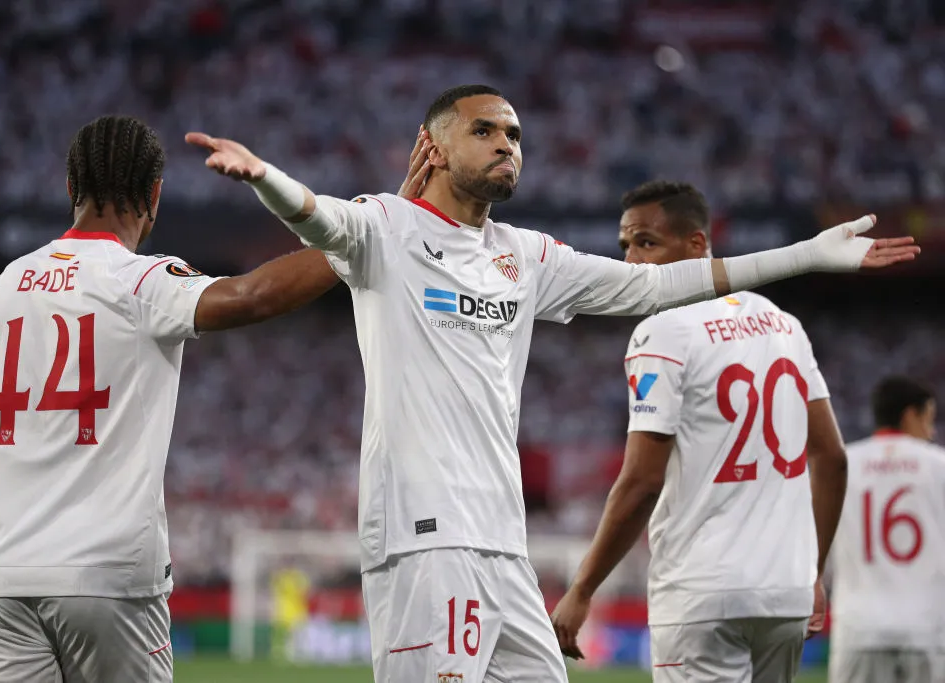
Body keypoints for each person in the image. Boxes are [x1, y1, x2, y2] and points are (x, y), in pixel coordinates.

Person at [187, 84, 917, 683]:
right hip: (424, 536)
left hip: (505, 544)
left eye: (514, 134)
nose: (507, 144)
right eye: (485, 131)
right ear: (435, 148)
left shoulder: (526, 255)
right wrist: (267, 179)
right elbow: (321, 220)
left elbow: (662, 285)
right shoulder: (387, 226)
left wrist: (808, 255)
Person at [0, 115, 341, 683]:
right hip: (104, 576)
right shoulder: (140, 281)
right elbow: (252, 294)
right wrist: (356, 242)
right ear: (155, 195)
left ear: (71, 189)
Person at [549, 180, 853, 682]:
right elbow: (832, 458)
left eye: (646, 242)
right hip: (785, 591)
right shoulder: (781, 322)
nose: (631, 261)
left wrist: (582, 589)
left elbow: (642, 481)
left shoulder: (663, 329)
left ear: (696, 246)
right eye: (625, 245)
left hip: (702, 592)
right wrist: (812, 571)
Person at [827, 376, 944, 683]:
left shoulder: (842, 465)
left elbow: (819, 548)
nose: (931, 433)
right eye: (928, 421)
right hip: (927, 629)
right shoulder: (939, 465)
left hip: (858, 629)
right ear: (910, 415)